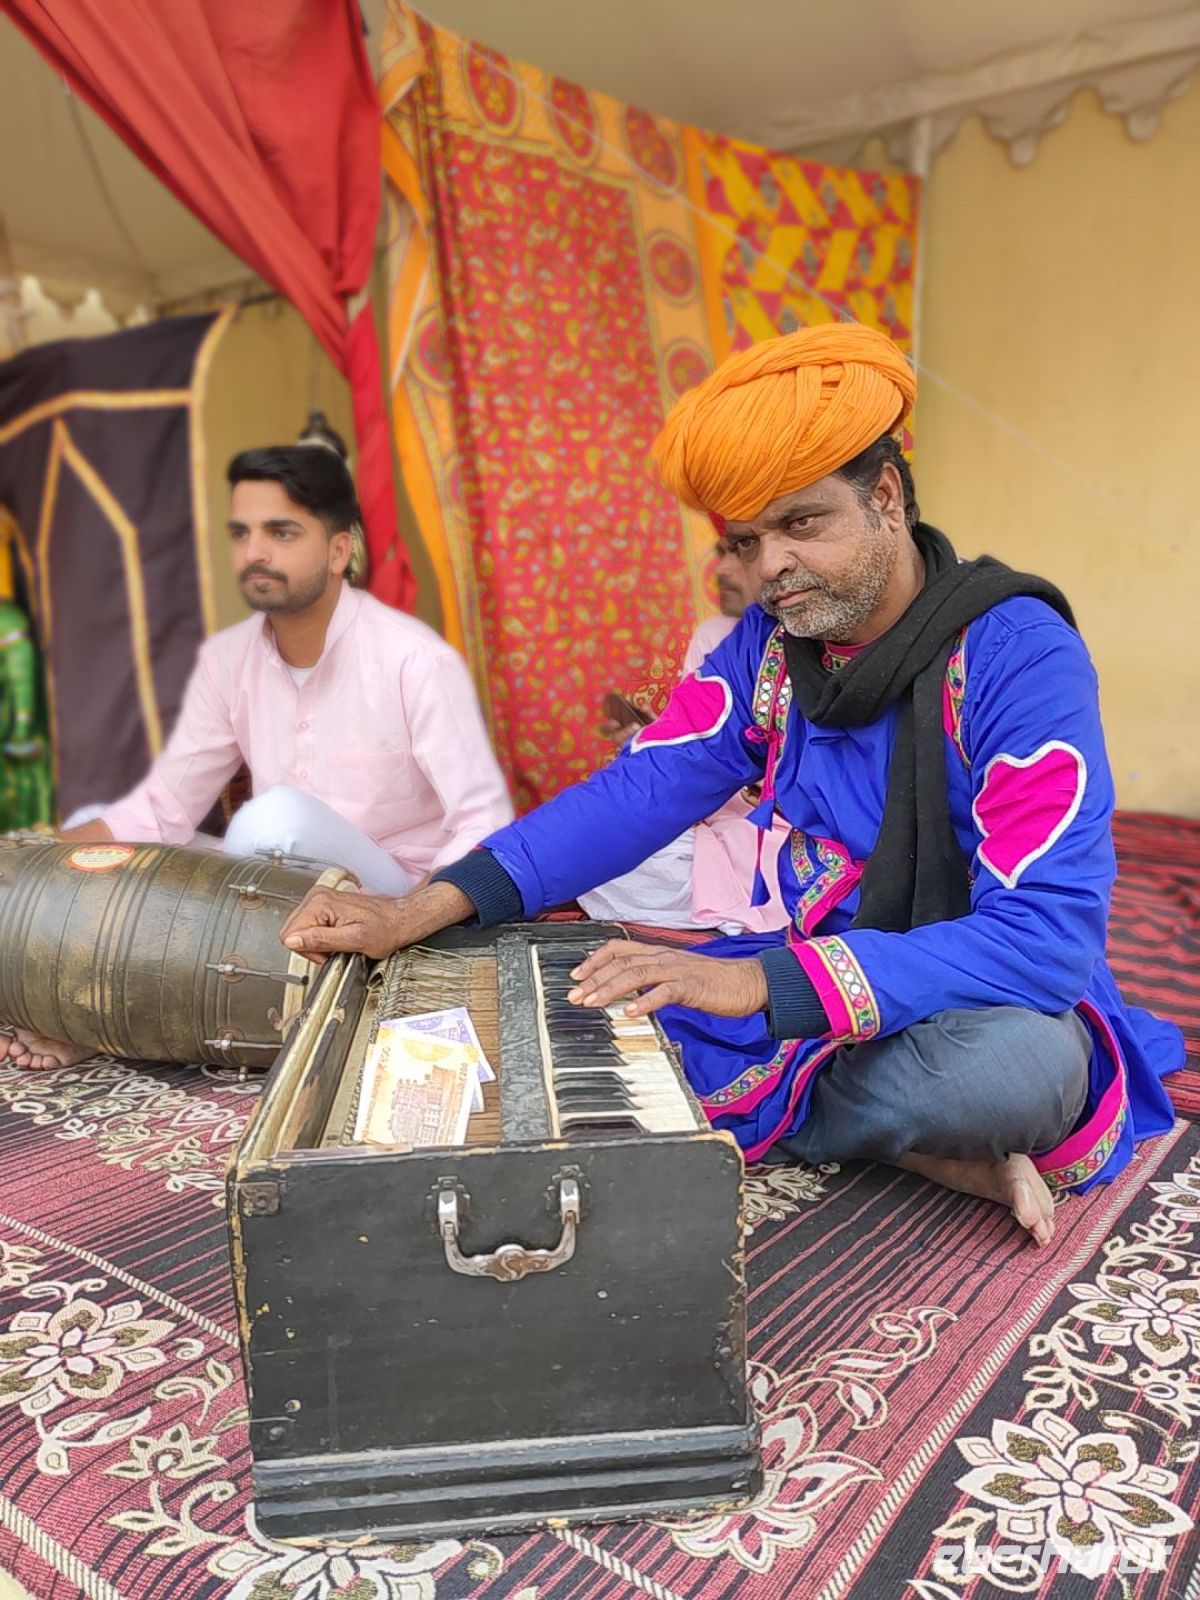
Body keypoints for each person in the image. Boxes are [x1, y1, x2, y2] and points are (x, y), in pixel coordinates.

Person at [281, 324, 1183, 1248]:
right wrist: (419, 908)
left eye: (802, 524)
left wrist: (755, 982)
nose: (768, 568)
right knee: (594, 983)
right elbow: (646, 788)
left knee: (1015, 1077)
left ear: (886, 497)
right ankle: (907, 1143)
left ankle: (848, 1112)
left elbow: (1043, 940)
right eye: (746, 541)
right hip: (825, 960)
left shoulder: (1018, 655)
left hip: (976, 984)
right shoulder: (771, 649)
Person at [4, 443, 511, 1070]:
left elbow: (481, 819)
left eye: (281, 532)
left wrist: (415, 914)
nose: (255, 553)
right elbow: (162, 807)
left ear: (338, 550)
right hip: (268, 880)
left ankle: (120, 1018)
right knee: (99, 837)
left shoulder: (413, 660)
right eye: (242, 533)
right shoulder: (228, 660)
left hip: (393, 895)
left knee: (273, 820)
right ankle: (80, 1013)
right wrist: (37, 864)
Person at [582, 536, 789, 934]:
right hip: (721, 826)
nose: (724, 571)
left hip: (787, 840)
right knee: (600, 841)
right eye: (722, 552)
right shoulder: (714, 635)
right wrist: (649, 740)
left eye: (740, 549)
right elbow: (706, 757)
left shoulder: (829, 639)